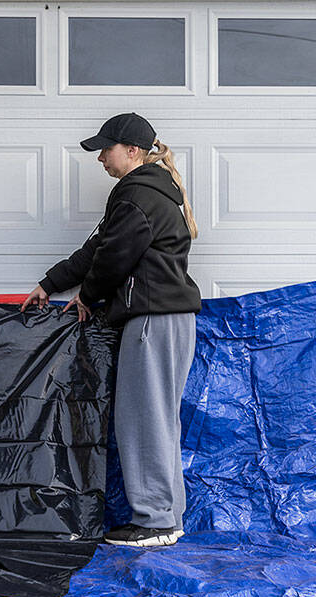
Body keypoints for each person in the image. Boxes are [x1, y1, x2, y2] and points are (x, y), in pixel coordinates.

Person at [22, 113, 201, 547]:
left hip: (153, 320)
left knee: (144, 420)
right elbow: (98, 248)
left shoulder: (138, 194)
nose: (101, 157)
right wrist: (51, 283)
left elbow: (114, 256)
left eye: (107, 149)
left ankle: (156, 521)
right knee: (158, 420)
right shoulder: (150, 192)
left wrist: (88, 295)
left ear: (133, 151)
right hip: (168, 318)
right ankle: (166, 517)